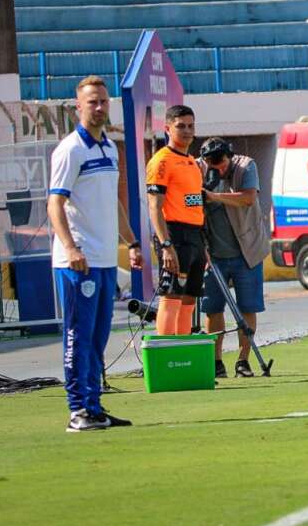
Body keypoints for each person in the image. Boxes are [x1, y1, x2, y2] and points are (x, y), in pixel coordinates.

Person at [48, 76, 144, 432]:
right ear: (79, 107)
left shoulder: (108, 149)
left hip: (105, 260)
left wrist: (131, 242)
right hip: (79, 262)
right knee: (78, 336)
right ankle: (78, 411)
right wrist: (71, 247)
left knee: (99, 338)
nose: (101, 107)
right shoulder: (70, 149)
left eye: (104, 101)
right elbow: (55, 203)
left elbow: (114, 203)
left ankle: (94, 406)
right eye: (93, 102)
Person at [197, 137, 270, 379]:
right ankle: (216, 361)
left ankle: (243, 360)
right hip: (213, 254)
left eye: (221, 163)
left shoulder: (245, 166)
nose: (217, 168)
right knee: (212, 309)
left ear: (230, 156)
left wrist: (213, 197)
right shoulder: (197, 168)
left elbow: (248, 198)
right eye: (212, 164)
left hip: (247, 251)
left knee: (248, 307)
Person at [146, 104, 205, 336]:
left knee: (189, 300)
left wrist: (203, 244)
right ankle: (166, 354)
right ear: (168, 128)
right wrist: (166, 245)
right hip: (174, 235)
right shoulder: (162, 161)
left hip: (195, 236)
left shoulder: (191, 161)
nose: (187, 131)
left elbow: (193, 203)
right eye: (181, 126)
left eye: (191, 126)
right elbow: (154, 206)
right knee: (171, 297)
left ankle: (184, 350)